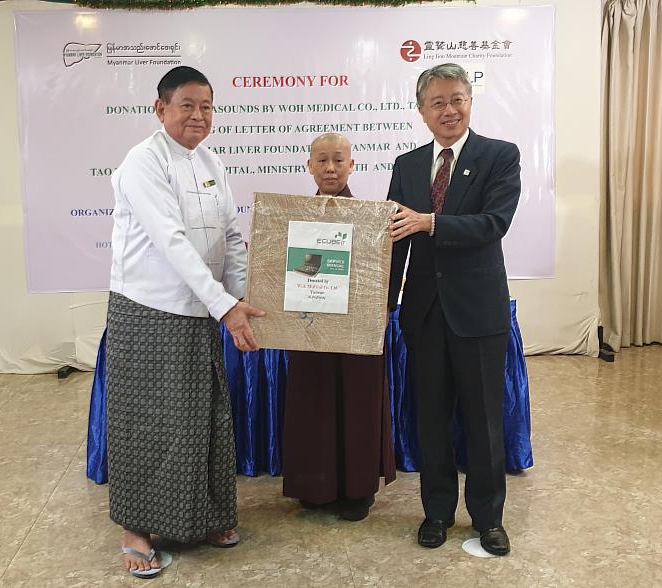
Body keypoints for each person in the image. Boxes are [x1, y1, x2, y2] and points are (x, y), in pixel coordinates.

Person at [107, 66, 264, 578]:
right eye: (187, 106)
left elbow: (232, 237)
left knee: (205, 415)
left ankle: (209, 516)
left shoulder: (211, 161)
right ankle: (137, 529)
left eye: (207, 107)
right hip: (149, 311)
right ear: (161, 109)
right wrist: (225, 305)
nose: (199, 116)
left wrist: (238, 299)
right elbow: (171, 242)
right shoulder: (142, 162)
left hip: (205, 308)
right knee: (149, 423)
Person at [387, 63, 520, 556]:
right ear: (422, 112)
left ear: (470, 102)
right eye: (438, 102)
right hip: (423, 311)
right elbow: (395, 241)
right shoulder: (406, 165)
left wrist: (431, 223)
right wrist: (382, 303)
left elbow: (493, 223)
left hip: (477, 311)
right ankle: (437, 511)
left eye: (458, 99)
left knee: (484, 418)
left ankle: (488, 518)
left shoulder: (499, 156)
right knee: (432, 417)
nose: (450, 109)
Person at [282, 133, 397, 521]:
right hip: (308, 324)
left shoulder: (370, 215)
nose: (330, 169)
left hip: (357, 326)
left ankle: (357, 490)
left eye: (338, 161)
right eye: (322, 161)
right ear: (309, 166)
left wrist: (382, 308)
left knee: (358, 402)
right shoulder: (291, 216)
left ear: (352, 165)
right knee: (312, 400)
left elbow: (383, 269)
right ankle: (314, 486)